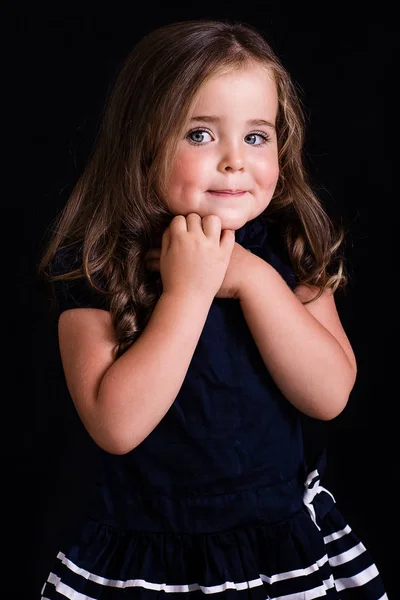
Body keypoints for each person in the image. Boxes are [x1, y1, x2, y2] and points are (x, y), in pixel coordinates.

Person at [37, 19, 388, 600]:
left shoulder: (288, 246)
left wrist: (253, 281)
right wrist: (188, 293)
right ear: (141, 141)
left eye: (256, 136)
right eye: (199, 135)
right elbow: (116, 426)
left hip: (277, 547)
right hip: (150, 551)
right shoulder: (101, 263)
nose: (234, 161)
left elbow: (330, 394)